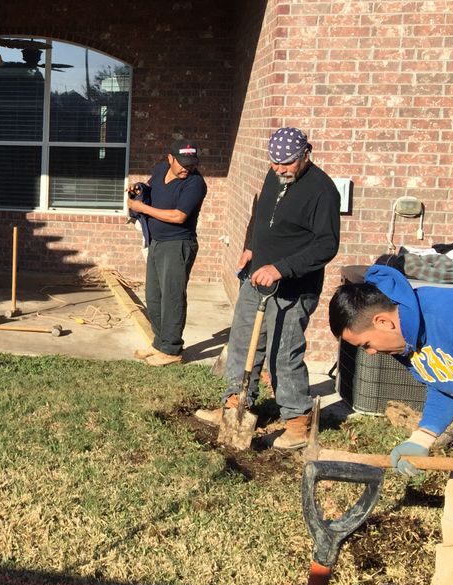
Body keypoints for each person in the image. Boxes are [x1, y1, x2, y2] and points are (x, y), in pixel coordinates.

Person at [329, 267, 453, 585]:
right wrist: (422, 438)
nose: (368, 354)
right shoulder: (404, 342)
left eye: (366, 344)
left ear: (384, 320)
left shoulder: (450, 316)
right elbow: (446, 384)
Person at [195, 126, 340, 451]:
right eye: (275, 162)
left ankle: (298, 422)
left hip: (293, 288)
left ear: (306, 153)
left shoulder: (322, 190)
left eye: (286, 163)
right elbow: (264, 217)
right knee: (242, 342)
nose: (279, 168)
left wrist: (280, 268)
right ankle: (236, 406)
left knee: (282, 354)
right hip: (256, 276)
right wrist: (251, 249)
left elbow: (326, 245)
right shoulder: (275, 174)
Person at [128, 140, 208, 366]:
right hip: (156, 242)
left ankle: (172, 350)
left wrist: (141, 208)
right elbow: (150, 188)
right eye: (182, 164)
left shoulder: (195, 184)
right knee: (154, 296)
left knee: (172, 296)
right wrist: (138, 188)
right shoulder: (161, 170)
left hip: (178, 244)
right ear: (170, 159)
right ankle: (159, 343)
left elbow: (178, 216)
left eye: (191, 164)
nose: (186, 168)